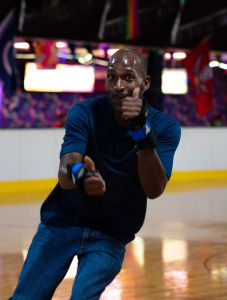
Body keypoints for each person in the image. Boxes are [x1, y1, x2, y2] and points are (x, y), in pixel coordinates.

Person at [8, 49, 181, 300]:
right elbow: (65, 170)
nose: (118, 85)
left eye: (128, 78)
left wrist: (141, 134)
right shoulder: (84, 112)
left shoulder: (165, 127)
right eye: (112, 77)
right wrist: (81, 175)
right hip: (63, 223)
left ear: (144, 84)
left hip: (111, 233)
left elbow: (154, 190)